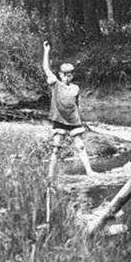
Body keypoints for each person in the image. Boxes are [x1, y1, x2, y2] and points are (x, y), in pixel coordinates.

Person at [42, 41, 95, 178]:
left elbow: (77, 105)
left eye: (70, 75)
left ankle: (89, 171)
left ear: (72, 75)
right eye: (65, 75)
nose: (67, 77)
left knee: (81, 146)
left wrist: (82, 120)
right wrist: (46, 51)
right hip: (59, 120)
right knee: (56, 148)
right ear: (60, 75)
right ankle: (50, 175)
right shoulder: (55, 84)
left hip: (73, 120)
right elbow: (46, 69)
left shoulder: (75, 88)